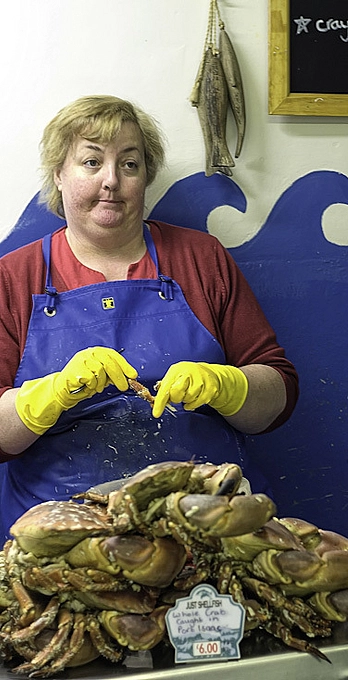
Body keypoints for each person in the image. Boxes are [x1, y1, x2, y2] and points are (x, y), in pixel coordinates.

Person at [0, 95, 298, 539]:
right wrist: (48, 396)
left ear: (146, 176)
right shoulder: (13, 277)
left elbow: (277, 397)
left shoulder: (201, 258)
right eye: (91, 162)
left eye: (129, 164)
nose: (111, 181)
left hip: (206, 516)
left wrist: (228, 386)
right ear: (59, 173)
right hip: (64, 531)